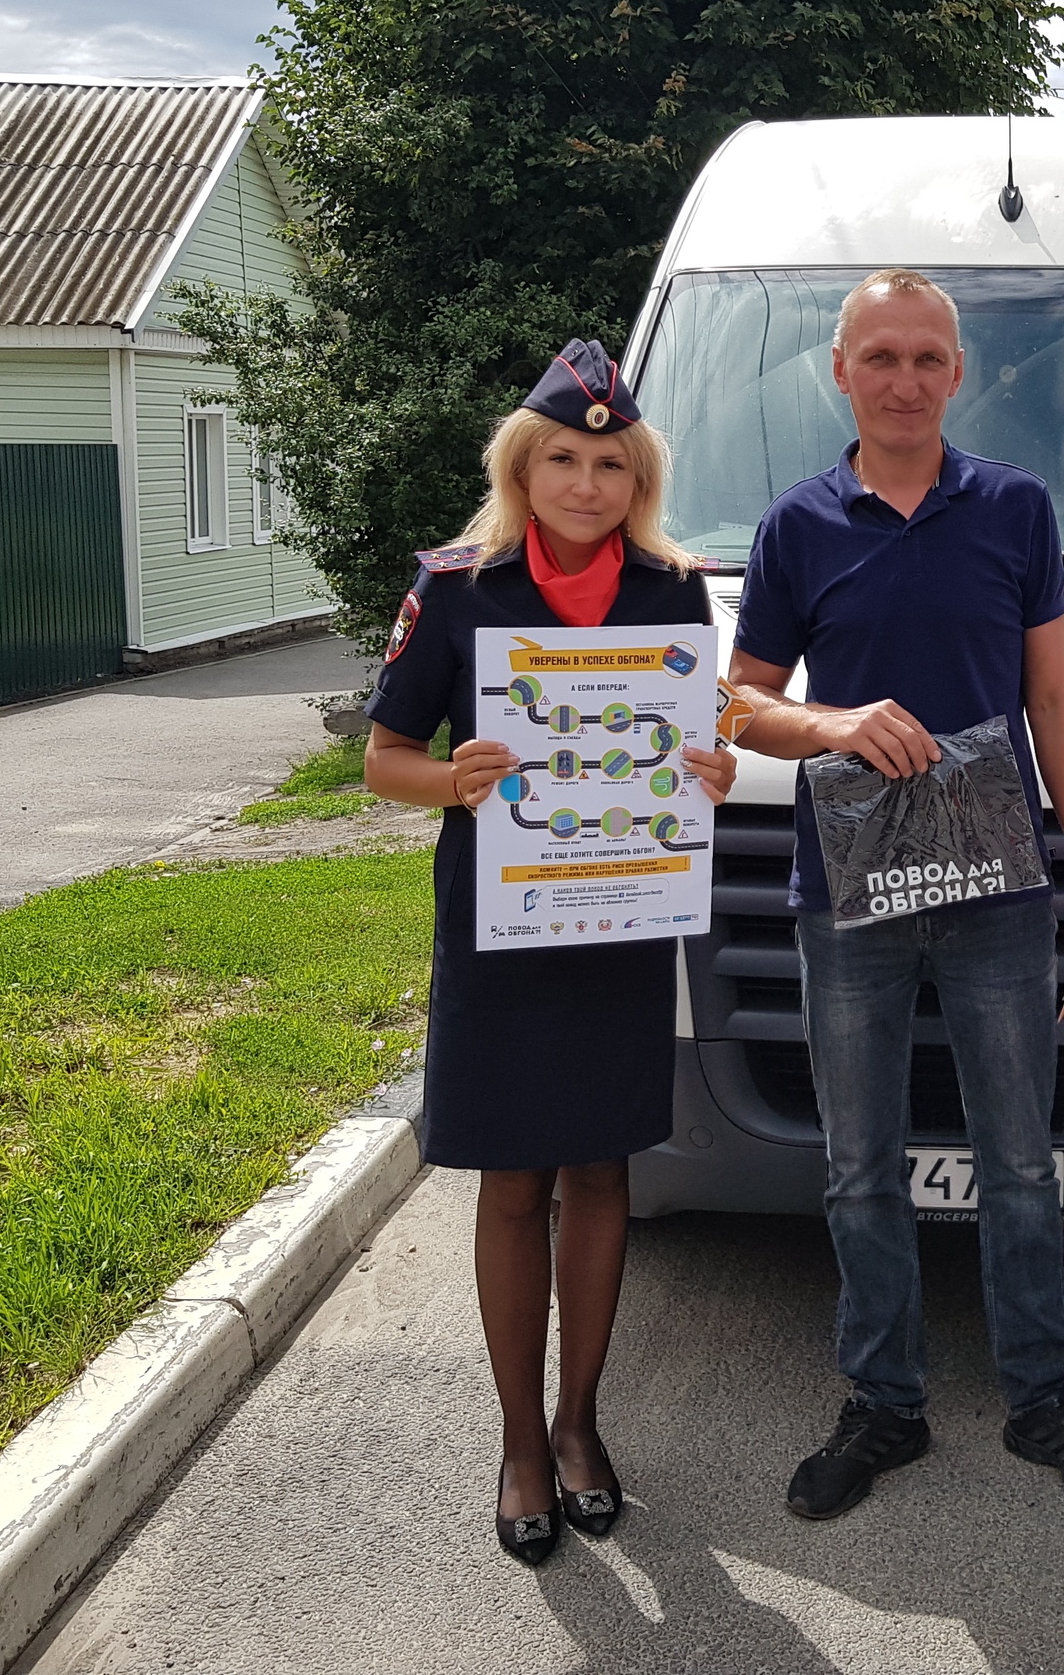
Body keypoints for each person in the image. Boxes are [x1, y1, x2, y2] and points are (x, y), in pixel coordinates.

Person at [727, 267, 1064, 1521]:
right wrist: (832, 722)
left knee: (1018, 1156)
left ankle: (1042, 1396)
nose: (903, 380)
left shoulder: (1013, 508)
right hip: (845, 894)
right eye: (880, 356)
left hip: (997, 889)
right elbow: (738, 703)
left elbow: (1053, 697)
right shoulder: (796, 526)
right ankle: (883, 1403)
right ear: (840, 372)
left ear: (958, 374)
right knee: (859, 1164)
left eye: (926, 358)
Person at [361, 338, 738, 1566]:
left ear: (640, 482)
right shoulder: (457, 587)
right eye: (563, 460)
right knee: (515, 1182)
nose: (586, 484)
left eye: (611, 465)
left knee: (603, 1173)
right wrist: (452, 781)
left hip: (618, 923)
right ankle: (520, 1441)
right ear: (523, 468)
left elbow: (697, 742)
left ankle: (581, 1424)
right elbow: (383, 761)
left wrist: (710, 771)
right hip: (503, 933)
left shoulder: (672, 592)